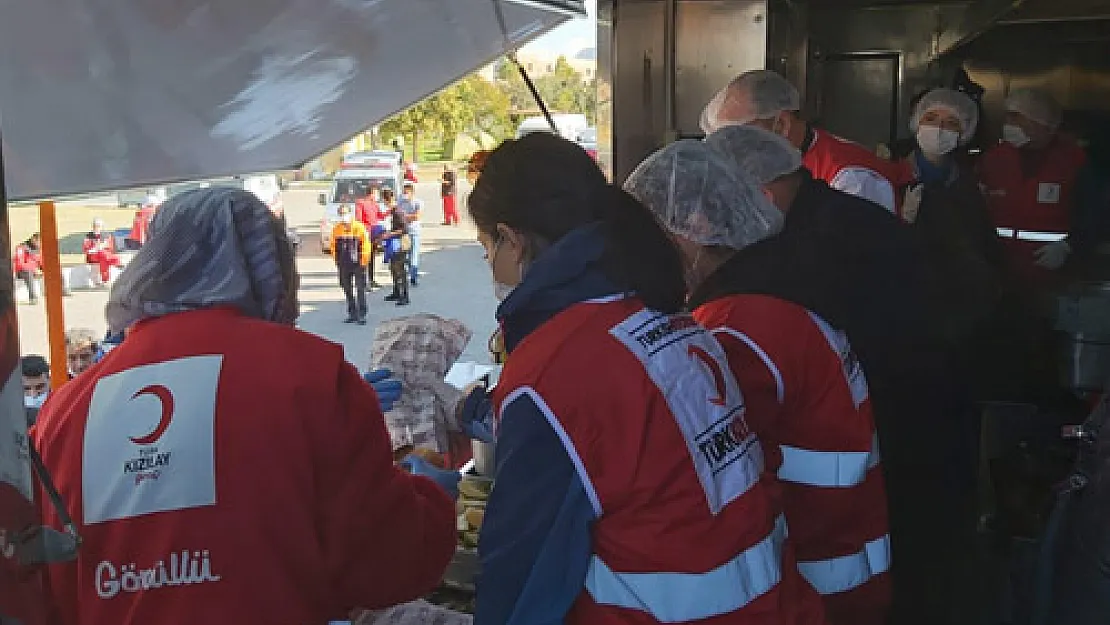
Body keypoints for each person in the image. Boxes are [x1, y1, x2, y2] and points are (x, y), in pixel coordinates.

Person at [443, 132, 825, 624]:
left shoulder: (553, 369)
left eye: (486, 248)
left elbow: (519, 581)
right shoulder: (666, 320)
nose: (490, 264)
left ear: (511, 240)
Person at [30, 187, 455, 625]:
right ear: (267, 265)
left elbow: (50, 582)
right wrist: (433, 502)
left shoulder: (63, 410)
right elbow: (384, 565)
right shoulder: (309, 373)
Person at [626, 140, 891, 625]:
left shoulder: (737, 327)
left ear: (699, 226)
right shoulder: (788, 281)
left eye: (655, 233)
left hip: (813, 581)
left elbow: (720, 481)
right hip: (851, 558)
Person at [705, 125, 960, 625]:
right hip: (891, 445)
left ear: (763, 192)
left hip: (898, 435)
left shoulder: (816, 247)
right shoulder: (833, 222)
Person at [701, 69, 900, 212]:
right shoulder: (781, 164)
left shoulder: (852, 179)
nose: (733, 151)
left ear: (781, 125)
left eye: (738, 137)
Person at [979, 88, 1087, 292]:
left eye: (1017, 118)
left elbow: (1095, 214)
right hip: (998, 274)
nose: (1008, 125)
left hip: (1052, 276)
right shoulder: (994, 158)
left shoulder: (1074, 161)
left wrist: (1069, 246)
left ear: (1043, 124)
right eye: (1008, 117)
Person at [331, 204, 373, 324]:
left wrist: (363, 261)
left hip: (358, 264)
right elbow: (333, 246)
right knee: (347, 289)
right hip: (344, 264)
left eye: (345, 213)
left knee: (360, 289)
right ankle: (352, 313)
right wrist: (337, 260)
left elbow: (366, 245)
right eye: (341, 214)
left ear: (350, 214)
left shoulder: (359, 227)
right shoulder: (337, 229)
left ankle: (362, 314)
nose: (344, 216)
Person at [381, 189, 411, 306]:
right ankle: (396, 291)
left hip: (401, 244)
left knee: (400, 270)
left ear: (386, 200)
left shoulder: (398, 212)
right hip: (395, 243)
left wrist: (390, 234)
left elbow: (404, 229)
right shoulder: (393, 211)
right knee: (393, 268)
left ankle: (405, 295)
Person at [355, 187, 384, 289]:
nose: (377, 196)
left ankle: (371, 280)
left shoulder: (375, 204)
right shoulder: (361, 203)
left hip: (374, 234)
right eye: (376, 194)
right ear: (370, 194)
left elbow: (381, 216)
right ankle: (364, 281)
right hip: (365, 234)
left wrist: (391, 209)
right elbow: (358, 219)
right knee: (365, 258)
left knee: (372, 257)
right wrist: (363, 232)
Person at [82, 218, 122, 286]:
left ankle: (105, 279)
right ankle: (115, 262)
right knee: (103, 255)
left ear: (102, 227)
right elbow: (86, 248)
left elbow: (110, 247)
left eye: (98, 226)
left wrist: (101, 247)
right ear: (93, 226)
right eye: (95, 225)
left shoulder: (106, 235)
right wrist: (95, 249)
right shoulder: (89, 236)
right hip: (93, 256)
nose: (96, 227)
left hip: (103, 255)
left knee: (103, 256)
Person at [399, 182, 423, 286]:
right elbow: (398, 215)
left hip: (414, 232)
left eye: (407, 192)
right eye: (404, 192)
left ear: (412, 193)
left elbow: (417, 216)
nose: (405, 194)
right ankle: (408, 273)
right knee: (405, 255)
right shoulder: (401, 202)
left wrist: (406, 216)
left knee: (414, 254)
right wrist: (407, 217)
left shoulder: (418, 202)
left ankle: (413, 276)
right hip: (404, 232)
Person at [13, 233, 43, 304]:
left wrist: (42, 269)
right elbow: (19, 263)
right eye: (38, 241)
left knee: (54, 269)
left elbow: (41, 261)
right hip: (21, 271)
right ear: (33, 239)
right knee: (28, 273)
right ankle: (33, 298)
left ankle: (62, 290)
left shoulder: (38, 249)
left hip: (34, 270)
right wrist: (33, 270)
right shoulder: (21, 247)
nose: (39, 244)